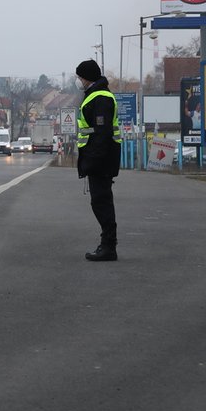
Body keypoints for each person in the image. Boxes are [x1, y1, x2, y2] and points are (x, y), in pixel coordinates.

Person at [75, 59, 121, 261]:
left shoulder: (100, 98)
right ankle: (107, 244)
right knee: (100, 202)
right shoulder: (95, 95)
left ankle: (108, 246)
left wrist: (92, 161)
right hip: (100, 159)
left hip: (101, 161)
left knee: (101, 202)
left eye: (80, 77)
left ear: (87, 77)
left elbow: (101, 134)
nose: (79, 81)